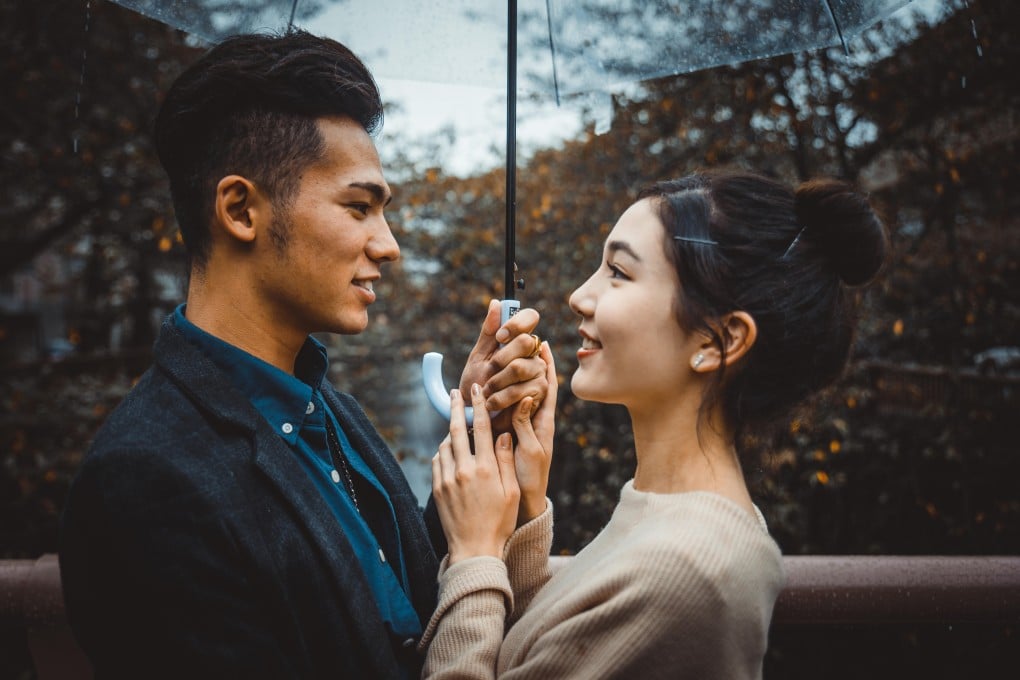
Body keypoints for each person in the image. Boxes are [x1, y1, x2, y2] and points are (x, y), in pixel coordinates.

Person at [58, 31, 548, 679]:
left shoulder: (335, 415)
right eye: (358, 207)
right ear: (240, 209)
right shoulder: (146, 480)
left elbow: (421, 607)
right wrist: (478, 553)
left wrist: (486, 434)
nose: (389, 245)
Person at [421, 170, 888, 678]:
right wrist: (526, 509)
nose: (580, 295)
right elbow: (545, 653)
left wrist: (473, 555)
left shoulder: (688, 569)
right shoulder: (661, 517)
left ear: (718, 341)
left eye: (618, 272)